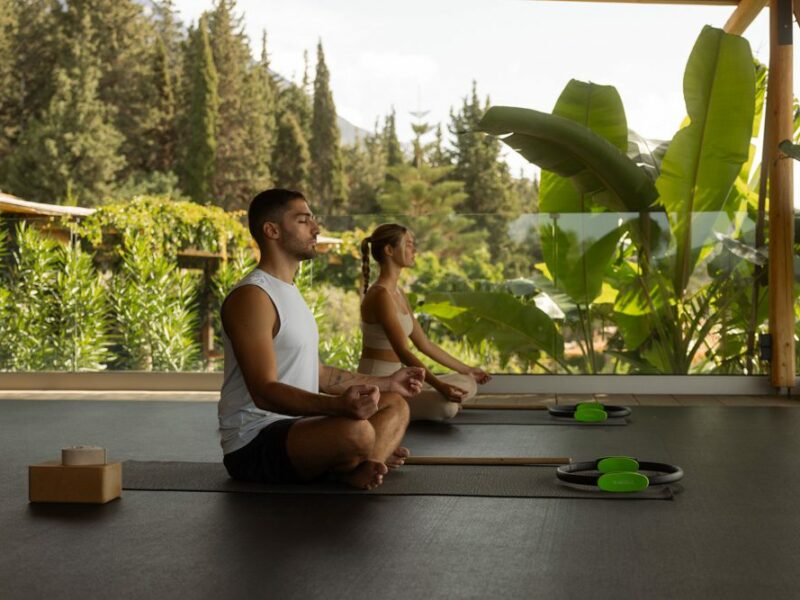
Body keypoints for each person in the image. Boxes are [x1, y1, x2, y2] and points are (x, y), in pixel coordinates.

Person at [219, 190, 425, 491]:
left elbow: (321, 374)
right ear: (272, 230)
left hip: (299, 428)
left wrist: (388, 383)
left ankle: (356, 465)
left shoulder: (289, 291)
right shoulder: (253, 297)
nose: (315, 229)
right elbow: (264, 392)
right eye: (303, 221)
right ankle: (356, 459)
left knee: (396, 405)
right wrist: (338, 407)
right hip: (254, 441)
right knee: (358, 433)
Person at [358, 223, 492, 421]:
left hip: (400, 380)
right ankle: (392, 411)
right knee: (446, 408)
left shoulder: (398, 293)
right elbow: (404, 352)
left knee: (467, 382)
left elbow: (424, 344)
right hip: (379, 385)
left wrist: (467, 369)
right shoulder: (380, 295)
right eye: (409, 244)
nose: (415, 250)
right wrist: (440, 387)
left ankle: (417, 407)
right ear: (389, 250)